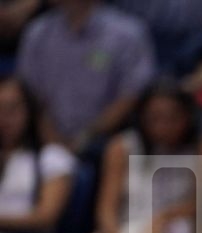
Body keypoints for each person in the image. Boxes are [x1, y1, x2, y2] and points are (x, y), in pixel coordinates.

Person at [79, 80, 198, 233]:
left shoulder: (200, 151)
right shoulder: (122, 147)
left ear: (187, 117)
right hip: (130, 227)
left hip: (173, 227)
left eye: (171, 118)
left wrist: (166, 217)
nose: (163, 127)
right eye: (155, 118)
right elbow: (106, 209)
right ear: (142, 118)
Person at [16, 0, 156, 156]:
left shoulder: (128, 33)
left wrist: (88, 135)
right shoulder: (37, 33)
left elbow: (133, 92)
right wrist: (51, 139)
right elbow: (30, 94)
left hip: (109, 141)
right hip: (45, 141)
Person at [0, 77, 76, 233]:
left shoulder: (51, 158)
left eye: (12, 109)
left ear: (30, 112)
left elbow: (46, 216)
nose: (4, 118)